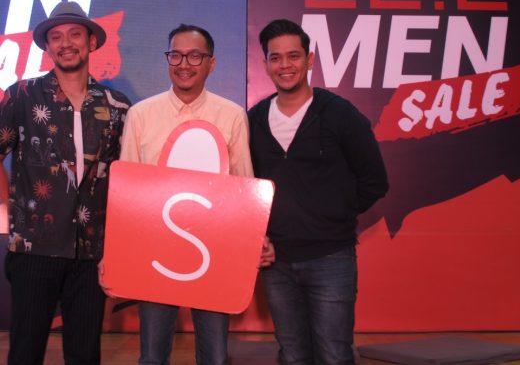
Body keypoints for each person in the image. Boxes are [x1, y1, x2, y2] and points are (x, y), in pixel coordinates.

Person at [119, 23, 274, 365]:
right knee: (152, 355)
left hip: (215, 250)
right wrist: (117, 253)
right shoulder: (141, 115)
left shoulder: (231, 115)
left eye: (194, 56)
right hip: (154, 250)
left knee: (215, 356)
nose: (184, 64)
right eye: (175, 55)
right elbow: (125, 193)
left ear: (211, 63)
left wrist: (253, 239)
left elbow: (243, 183)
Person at [248, 19, 389, 365]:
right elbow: (245, 187)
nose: (285, 65)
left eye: (293, 56)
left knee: (334, 355)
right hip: (277, 263)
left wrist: (332, 216)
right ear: (265, 64)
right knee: (292, 355)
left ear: (309, 59)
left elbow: (375, 180)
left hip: (331, 258)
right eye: (276, 58)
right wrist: (259, 235)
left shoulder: (340, 114)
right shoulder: (253, 120)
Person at [0, 1, 131, 364]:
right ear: (47, 46)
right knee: (25, 352)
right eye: (56, 37)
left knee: (85, 354)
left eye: (75, 34)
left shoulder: (117, 105)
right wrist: (9, 208)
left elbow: (127, 177)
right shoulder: (22, 95)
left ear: (92, 42)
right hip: (33, 249)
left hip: (92, 253)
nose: (66, 43)